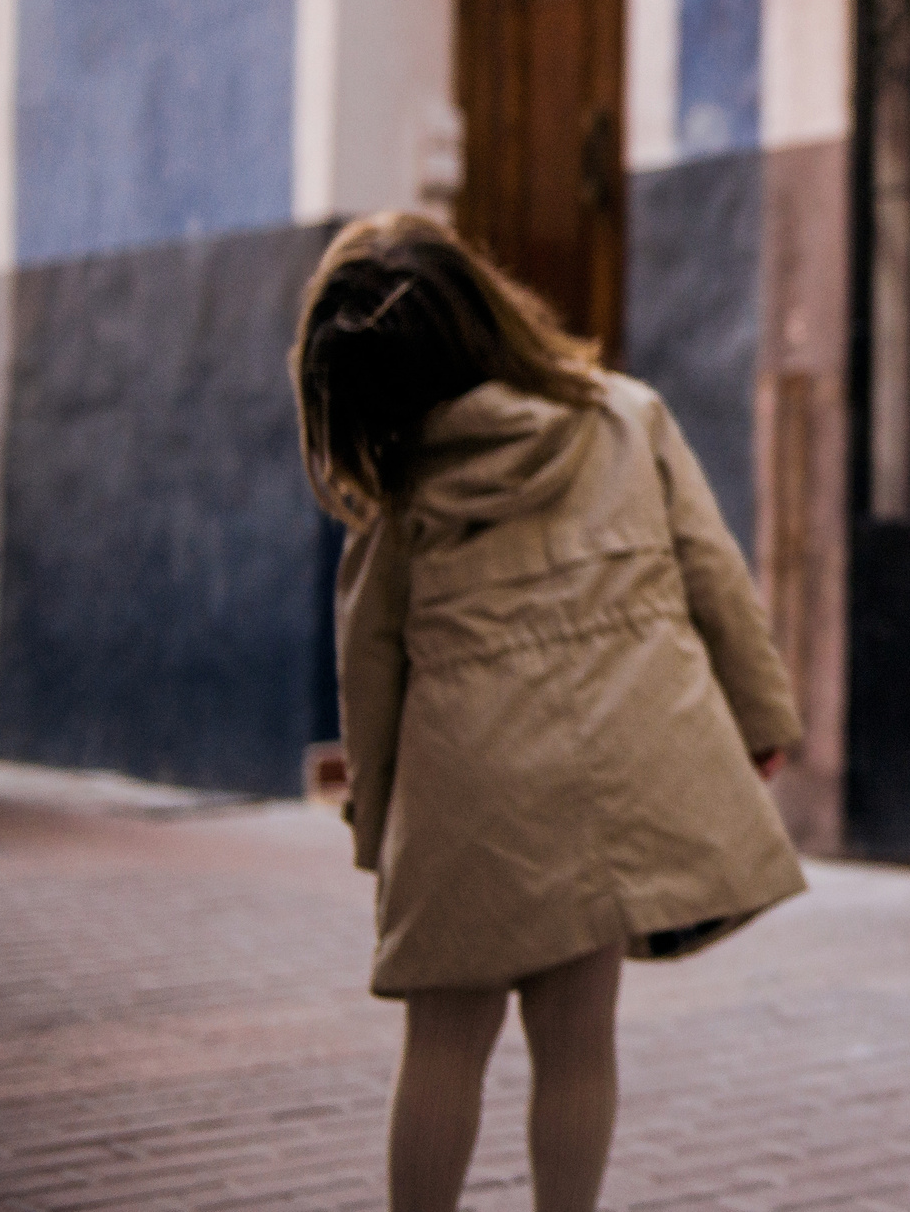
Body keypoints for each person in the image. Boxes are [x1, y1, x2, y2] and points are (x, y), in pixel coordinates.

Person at [293, 213, 805, 1212]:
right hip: (608, 785)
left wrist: (377, 823)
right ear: (487, 310)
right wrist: (761, 720)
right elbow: (717, 577)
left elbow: (370, 665)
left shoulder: (404, 488)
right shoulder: (624, 417)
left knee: (443, 1044)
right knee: (577, 1045)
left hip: (462, 803)